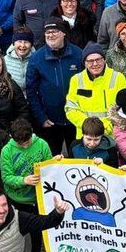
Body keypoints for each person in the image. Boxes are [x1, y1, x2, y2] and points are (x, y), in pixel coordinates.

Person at [0, 119, 54, 252]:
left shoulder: (42, 144)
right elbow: (6, 177)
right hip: (17, 200)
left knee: (37, 234)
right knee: (15, 234)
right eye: (21, 144)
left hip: (38, 199)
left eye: (27, 142)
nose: (25, 146)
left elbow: (50, 167)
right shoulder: (7, 150)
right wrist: (24, 180)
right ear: (12, 137)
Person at [25, 20, 84, 156]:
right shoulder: (36, 58)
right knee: (51, 160)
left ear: (63, 33)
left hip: (75, 119)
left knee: (77, 158)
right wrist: (41, 117)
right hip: (50, 122)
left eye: (54, 31)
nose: (50, 35)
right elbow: (31, 91)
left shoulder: (78, 54)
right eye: (47, 33)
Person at [65, 43, 126, 138]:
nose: (95, 64)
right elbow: (70, 109)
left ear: (104, 60)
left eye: (98, 59)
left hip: (111, 136)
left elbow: (124, 109)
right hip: (85, 136)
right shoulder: (76, 80)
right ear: (85, 63)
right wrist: (89, 127)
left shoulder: (118, 77)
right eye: (90, 61)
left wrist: (104, 127)